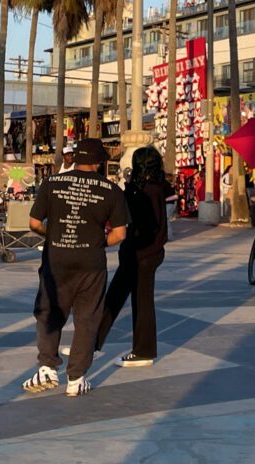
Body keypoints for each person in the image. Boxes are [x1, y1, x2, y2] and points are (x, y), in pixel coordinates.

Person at [23, 138, 127, 397]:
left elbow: (34, 223)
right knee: (87, 319)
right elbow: (120, 234)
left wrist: (53, 234)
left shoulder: (52, 183)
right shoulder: (111, 190)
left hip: (56, 260)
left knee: (49, 312)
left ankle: (47, 366)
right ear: (98, 161)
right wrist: (101, 243)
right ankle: (76, 378)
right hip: (91, 263)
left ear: (75, 158)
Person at [95, 146, 170, 368]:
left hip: (142, 254)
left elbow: (142, 222)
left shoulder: (148, 190)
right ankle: (91, 342)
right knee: (115, 296)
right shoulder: (152, 186)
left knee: (141, 301)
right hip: (140, 253)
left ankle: (144, 351)